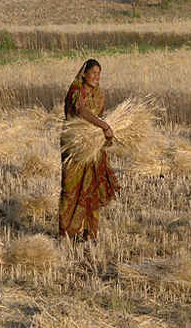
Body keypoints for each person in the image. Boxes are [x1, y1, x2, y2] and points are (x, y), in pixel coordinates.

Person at [59, 59, 120, 243]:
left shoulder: (99, 95)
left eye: (99, 73)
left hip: (92, 148)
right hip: (75, 147)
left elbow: (98, 117)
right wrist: (104, 126)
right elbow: (82, 111)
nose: (96, 77)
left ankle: (89, 235)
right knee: (71, 188)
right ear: (84, 74)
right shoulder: (75, 91)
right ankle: (68, 233)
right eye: (93, 73)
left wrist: (105, 136)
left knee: (91, 188)